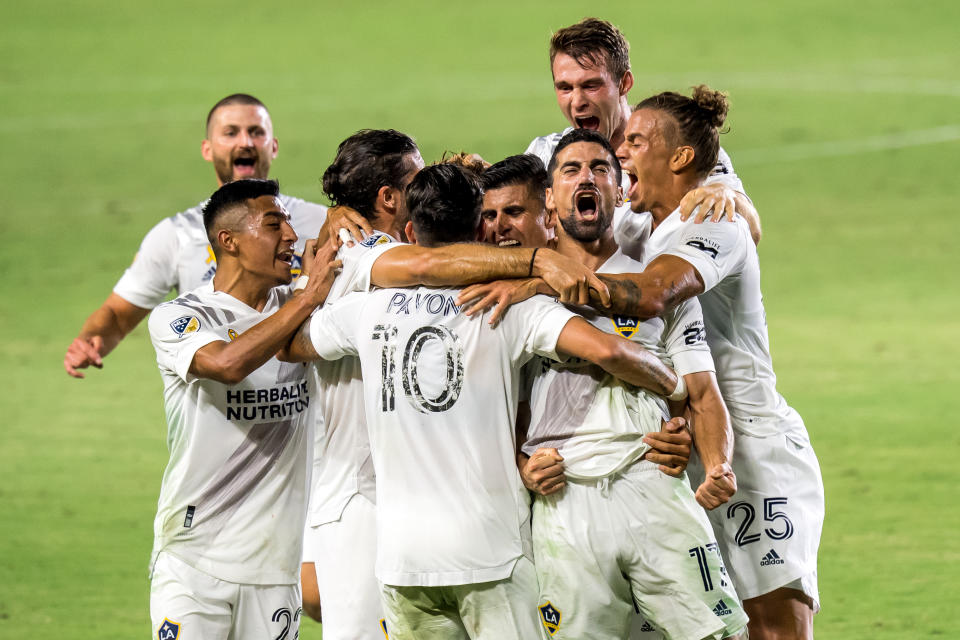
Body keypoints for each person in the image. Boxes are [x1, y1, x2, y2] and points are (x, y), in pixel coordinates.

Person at [282, 163, 687, 639]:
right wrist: (675, 388)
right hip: (491, 555)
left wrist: (308, 293)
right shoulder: (509, 306)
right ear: (480, 230)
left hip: (404, 562)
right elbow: (611, 351)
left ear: (410, 232)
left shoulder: (367, 311)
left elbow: (293, 345)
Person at [464, 142, 746, 639]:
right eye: (570, 170)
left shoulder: (655, 286)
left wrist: (716, 463)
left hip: (653, 484)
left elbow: (702, 393)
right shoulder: (508, 295)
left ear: (620, 191)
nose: (586, 177)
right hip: (563, 501)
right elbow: (487, 409)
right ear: (551, 198)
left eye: (600, 168)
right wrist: (521, 466)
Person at [599, 87, 824, 640]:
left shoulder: (715, 222)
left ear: (679, 158)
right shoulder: (641, 228)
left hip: (751, 453)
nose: (621, 152)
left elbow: (653, 295)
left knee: (772, 628)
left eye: (635, 141)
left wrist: (544, 283)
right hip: (686, 452)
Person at [146, 178, 339, 640]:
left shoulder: (299, 305)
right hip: (195, 562)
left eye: (289, 223)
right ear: (228, 241)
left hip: (276, 569)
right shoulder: (182, 317)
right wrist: (308, 298)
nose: (291, 235)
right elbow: (228, 364)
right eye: (274, 225)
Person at [63, 93, 327, 378]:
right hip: (219, 387)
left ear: (273, 146)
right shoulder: (176, 234)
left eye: (256, 132)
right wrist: (92, 338)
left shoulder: (322, 221)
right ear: (207, 149)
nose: (245, 142)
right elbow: (118, 312)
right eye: (230, 133)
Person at [525, 17, 761, 251]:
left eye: (591, 86)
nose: (577, 102)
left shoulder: (681, 144)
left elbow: (752, 230)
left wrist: (726, 194)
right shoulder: (545, 153)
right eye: (564, 88)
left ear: (624, 83)